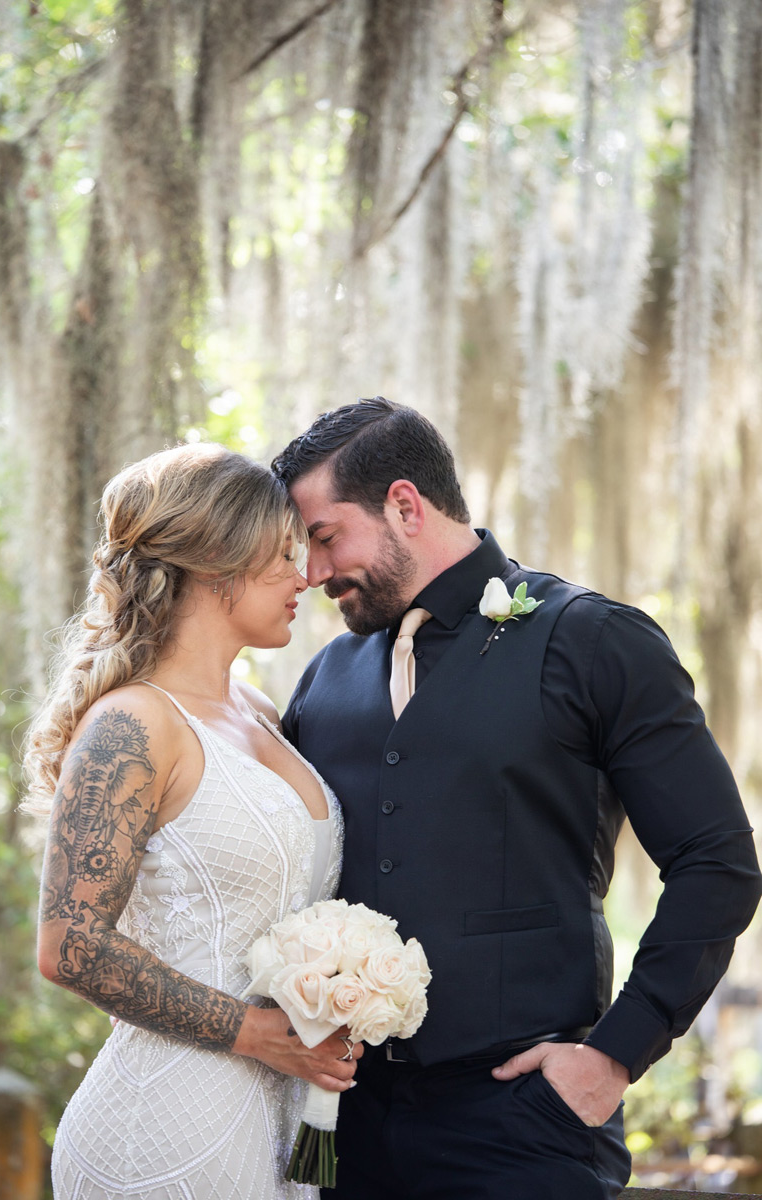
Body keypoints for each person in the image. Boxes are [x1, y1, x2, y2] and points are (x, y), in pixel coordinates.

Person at [271, 396, 762, 1200]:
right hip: (344, 1133)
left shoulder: (596, 640)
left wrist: (613, 1056)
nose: (315, 571)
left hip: (524, 1127)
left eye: (326, 537)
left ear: (405, 505)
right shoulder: (325, 678)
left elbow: (718, 862)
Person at [23, 442, 362, 1200]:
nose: (303, 576)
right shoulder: (131, 725)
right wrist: (257, 1035)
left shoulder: (262, 713)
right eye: (280, 554)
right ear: (215, 563)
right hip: (160, 1131)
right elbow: (68, 947)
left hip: (277, 1128)